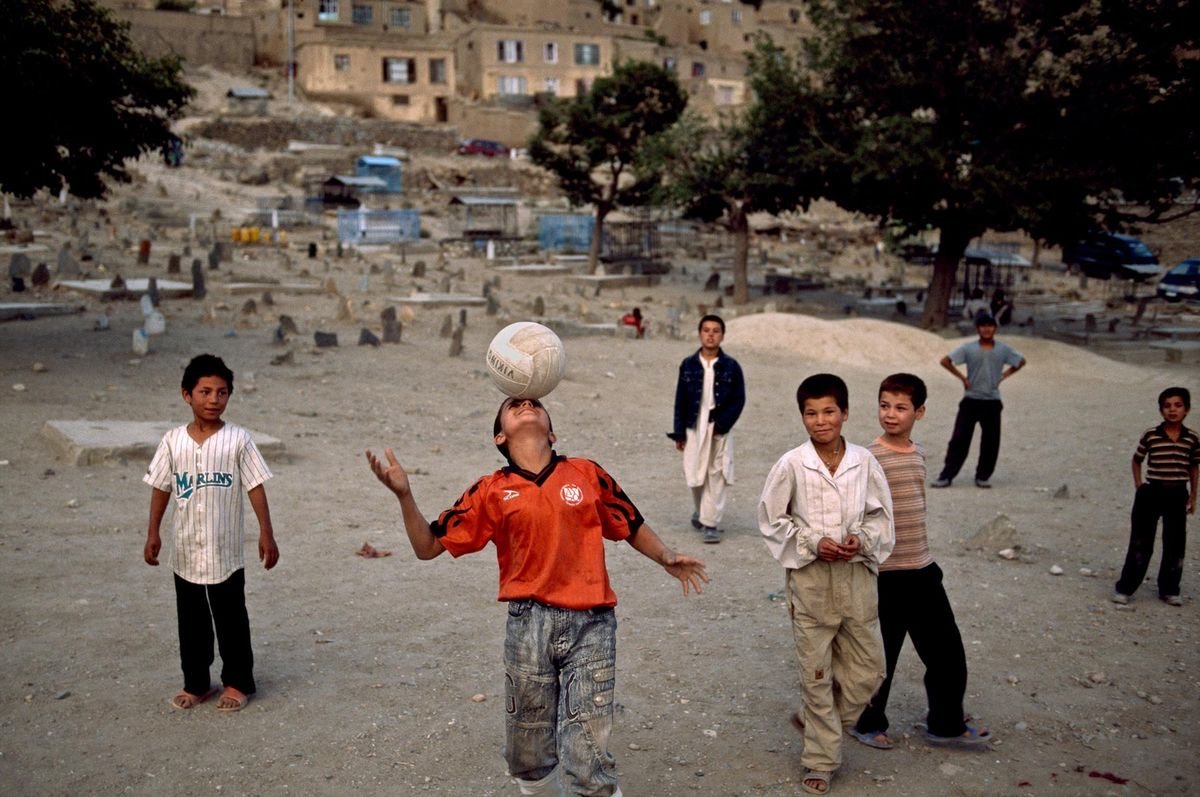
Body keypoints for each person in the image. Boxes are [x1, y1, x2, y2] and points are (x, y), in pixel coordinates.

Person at [366, 396, 707, 797]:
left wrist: (665, 555)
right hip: (528, 625)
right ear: (499, 436)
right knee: (527, 753)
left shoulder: (586, 473)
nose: (526, 404)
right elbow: (427, 547)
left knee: (588, 747)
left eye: (535, 403)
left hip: (592, 623)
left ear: (552, 431)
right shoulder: (491, 490)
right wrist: (404, 495)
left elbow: (628, 521)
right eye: (514, 405)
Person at [759, 374, 894, 795]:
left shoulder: (864, 461)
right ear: (802, 416)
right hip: (811, 581)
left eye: (829, 411)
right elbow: (771, 519)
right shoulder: (792, 464)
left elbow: (880, 515)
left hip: (856, 579)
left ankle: (823, 720)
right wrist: (814, 542)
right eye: (811, 413)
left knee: (870, 671)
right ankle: (820, 758)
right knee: (816, 674)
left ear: (845, 413)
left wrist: (862, 540)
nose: (821, 421)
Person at [849, 373, 993, 751]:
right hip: (884, 574)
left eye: (900, 407)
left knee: (947, 653)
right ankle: (865, 723)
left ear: (920, 412)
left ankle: (945, 724)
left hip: (923, 571)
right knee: (879, 659)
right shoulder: (866, 458)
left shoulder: (918, 453)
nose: (891, 415)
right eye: (884, 406)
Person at [143, 354, 278, 713]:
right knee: (191, 621)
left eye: (222, 392)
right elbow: (161, 487)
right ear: (186, 395)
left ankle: (238, 682)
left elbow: (255, 486)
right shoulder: (173, 442)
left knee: (231, 618)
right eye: (205, 391)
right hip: (185, 549)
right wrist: (153, 532)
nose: (213, 400)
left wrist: (267, 533)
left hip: (225, 550)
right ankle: (197, 682)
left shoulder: (238, 440)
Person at [1113, 387, 1200, 606]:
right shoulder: (1151, 435)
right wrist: (1139, 485)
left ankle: (1169, 589)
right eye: (1167, 406)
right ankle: (1126, 588)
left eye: (1178, 405)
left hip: (1178, 493)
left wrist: (1193, 497)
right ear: (1161, 410)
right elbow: (1137, 460)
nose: (1172, 410)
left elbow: (1194, 468)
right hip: (1151, 493)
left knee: (1175, 543)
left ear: (1187, 409)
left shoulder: (1192, 438)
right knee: (1141, 542)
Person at [668, 314, 746, 544]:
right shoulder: (689, 365)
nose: (711, 335)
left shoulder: (732, 366)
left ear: (722, 335)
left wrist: (722, 424)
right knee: (695, 473)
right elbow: (680, 399)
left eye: (716, 331)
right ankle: (702, 511)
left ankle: (710, 523)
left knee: (717, 472)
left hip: (719, 426)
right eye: (706, 330)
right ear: (700, 333)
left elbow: (739, 399)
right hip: (694, 426)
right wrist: (679, 431)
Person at [931, 314, 1025, 488]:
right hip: (970, 400)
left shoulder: (1003, 349)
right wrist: (962, 378)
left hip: (992, 401)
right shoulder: (968, 348)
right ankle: (947, 475)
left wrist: (1004, 375)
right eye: (983, 326)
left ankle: (983, 476)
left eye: (990, 326)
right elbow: (946, 361)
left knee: (991, 440)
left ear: (995, 329)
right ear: (978, 329)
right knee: (959, 439)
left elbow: (1020, 361)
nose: (987, 329)